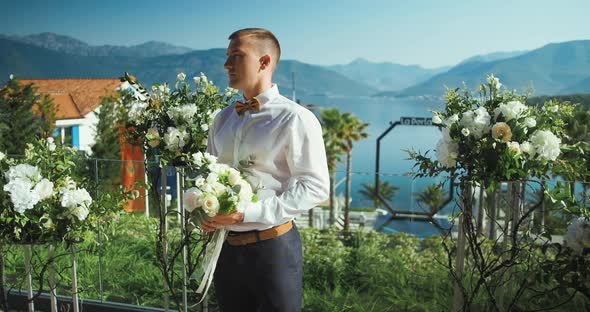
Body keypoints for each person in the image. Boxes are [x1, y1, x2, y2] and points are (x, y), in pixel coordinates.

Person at [201, 28, 330, 312]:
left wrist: (248, 213)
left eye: (236, 56)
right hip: (224, 248)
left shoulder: (296, 118)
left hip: (273, 250)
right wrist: (203, 210)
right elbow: (208, 177)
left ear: (264, 62)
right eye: (227, 57)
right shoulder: (222, 119)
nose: (227, 65)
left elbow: (315, 187)